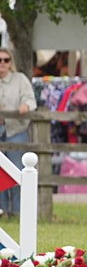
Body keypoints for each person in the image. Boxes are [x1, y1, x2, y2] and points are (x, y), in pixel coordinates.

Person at [0, 47, 36, 217]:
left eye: (6, 60)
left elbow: (29, 98)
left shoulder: (20, 79)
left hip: (16, 129)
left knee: (18, 172)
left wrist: (25, 106)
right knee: (0, 175)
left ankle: (17, 212)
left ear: (11, 62)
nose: (2, 64)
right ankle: (2, 211)